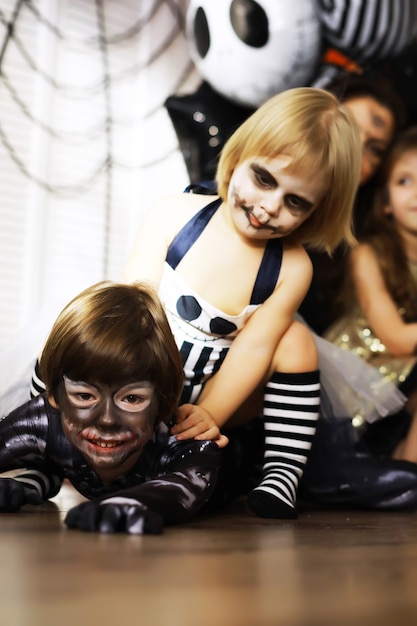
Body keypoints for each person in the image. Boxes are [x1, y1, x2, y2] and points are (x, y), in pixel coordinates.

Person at [122, 86, 366, 520]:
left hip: (213, 393)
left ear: (317, 211)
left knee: (295, 339)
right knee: (80, 330)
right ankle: (42, 462)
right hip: (140, 376)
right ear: (238, 156)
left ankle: (282, 473)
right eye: (264, 179)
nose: (268, 207)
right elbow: (133, 310)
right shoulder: (173, 214)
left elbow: (253, 350)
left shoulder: (292, 267)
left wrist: (208, 414)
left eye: (295, 202)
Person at [0, 281, 222, 534]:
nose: (106, 419)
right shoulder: (44, 419)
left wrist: (127, 504)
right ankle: (36, 478)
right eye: (84, 396)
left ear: (164, 400)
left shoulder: (183, 442)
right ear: (54, 398)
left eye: (132, 399)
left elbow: (185, 485)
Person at [324, 126, 417, 464]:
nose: (415, 192)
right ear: (387, 201)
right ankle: (405, 473)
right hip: (365, 374)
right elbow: (395, 339)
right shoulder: (369, 254)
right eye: (404, 181)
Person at [299, 72, 407, 334]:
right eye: (346, 126)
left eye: (374, 149)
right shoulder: (254, 184)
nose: (355, 150)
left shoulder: (352, 254)